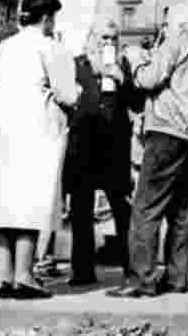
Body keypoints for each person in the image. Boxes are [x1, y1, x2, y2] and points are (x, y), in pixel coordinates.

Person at [108, 16, 188, 298]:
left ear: (180, 28)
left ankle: (141, 280)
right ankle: (176, 278)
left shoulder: (175, 45)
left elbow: (149, 80)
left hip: (165, 131)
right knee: (181, 212)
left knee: (146, 208)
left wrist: (136, 61)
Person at [0, 0, 80, 299]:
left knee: (3, 201)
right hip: (39, 132)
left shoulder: (5, 47)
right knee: (31, 202)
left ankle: (5, 275)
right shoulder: (52, 48)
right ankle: (25, 275)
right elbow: (68, 94)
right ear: (48, 18)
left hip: (5, 133)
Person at [64, 21, 141, 286]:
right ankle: (82, 270)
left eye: (113, 38)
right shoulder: (75, 64)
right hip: (83, 145)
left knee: (122, 209)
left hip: (114, 148)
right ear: (90, 38)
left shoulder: (124, 66)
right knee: (81, 210)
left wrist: (122, 79)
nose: (107, 42)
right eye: (102, 37)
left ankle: (132, 268)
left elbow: (137, 103)